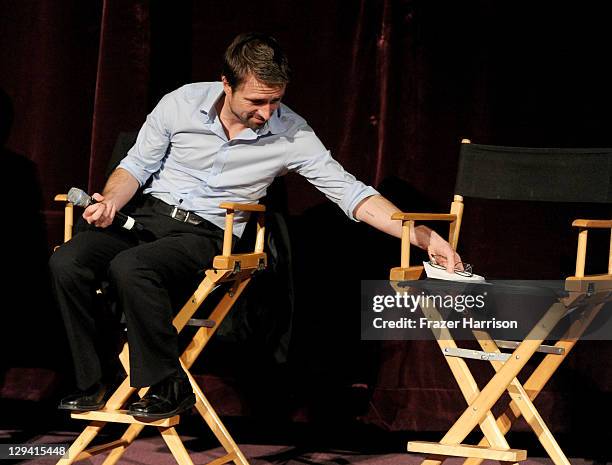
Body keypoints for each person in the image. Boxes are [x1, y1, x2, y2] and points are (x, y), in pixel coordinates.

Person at [50, 32, 461, 419]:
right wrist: (110, 201)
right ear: (226, 84)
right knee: (69, 261)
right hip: (147, 218)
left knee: (132, 267)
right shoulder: (180, 103)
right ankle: (95, 380)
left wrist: (423, 237)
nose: (266, 113)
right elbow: (135, 165)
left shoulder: (293, 133)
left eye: (275, 101)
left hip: (210, 233)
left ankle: (168, 385)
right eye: (257, 101)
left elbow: (352, 195)